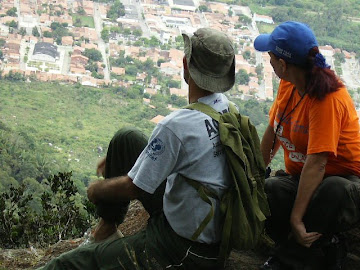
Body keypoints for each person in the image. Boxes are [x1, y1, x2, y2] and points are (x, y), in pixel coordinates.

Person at [37, 27, 236, 270]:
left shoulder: (177, 126)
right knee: (127, 139)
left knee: (68, 264)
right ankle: (107, 230)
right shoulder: (229, 110)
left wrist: (97, 190)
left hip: (182, 247)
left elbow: (134, 187)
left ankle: (103, 248)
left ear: (186, 65)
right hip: (206, 222)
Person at [254, 21, 360, 270]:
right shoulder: (288, 84)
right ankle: (323, 248)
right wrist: (256, 174)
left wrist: (296, 217)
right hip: (306, 177)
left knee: (334, 189)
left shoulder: (327, 99)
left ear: (283, 64)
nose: (268, 60)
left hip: (345, 182)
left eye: (270, 56)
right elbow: (274, 130)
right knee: (269, 191)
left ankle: (285, 261)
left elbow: (318, 162)